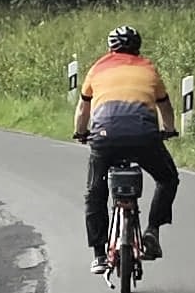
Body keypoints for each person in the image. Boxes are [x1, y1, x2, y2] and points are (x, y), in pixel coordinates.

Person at [72, 25, 180, 269]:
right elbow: (165, 106)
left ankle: (99, 255)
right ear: (138, 47)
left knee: (95, 192)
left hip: (104, 137)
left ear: (111, 48)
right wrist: (169, 129)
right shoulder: (148, 68)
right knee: (168, 179)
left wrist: (81, 132)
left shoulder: (98, 67)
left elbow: (83, 109)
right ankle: (152, 229)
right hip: (144, 137)